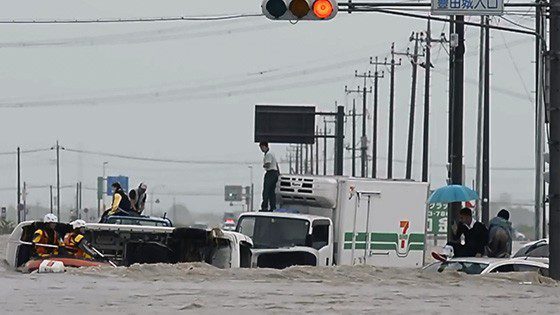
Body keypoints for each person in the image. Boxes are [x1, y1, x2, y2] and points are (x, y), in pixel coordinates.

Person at [259, 142, 279, 212]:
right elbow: (276, 164)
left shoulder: (268, 154)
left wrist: (264, 165)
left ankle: (264, 207)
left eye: (261, 147)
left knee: (266, 191)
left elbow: (268, 164)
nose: (261, 149)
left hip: (270, 173)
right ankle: (272, 207)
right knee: (271, 192)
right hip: (275, 173)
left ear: (265, 146)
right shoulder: (272, 153)